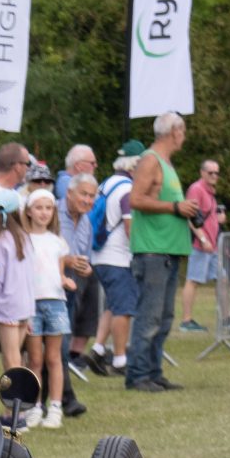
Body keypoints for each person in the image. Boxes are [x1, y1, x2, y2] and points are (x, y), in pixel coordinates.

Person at [121, 113, 195, 391]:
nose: (184, 137)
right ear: (174, 131)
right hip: (153, 250)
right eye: (183, 130)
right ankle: (138, 374)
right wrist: (175, 208)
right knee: (150, 315)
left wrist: (182, 207)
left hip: (167, 249)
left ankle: (153, 371)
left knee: (163, 317)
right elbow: (136, 199)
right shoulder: (150, 159)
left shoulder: (165, 163)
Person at [20, 188, 69, 430]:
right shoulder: (24, 239)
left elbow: (59, 273)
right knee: (35, 359)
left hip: (55, 302)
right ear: (29, 211)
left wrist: (66, 280)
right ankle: (35, 406)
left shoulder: (58, 241)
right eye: (38, 208)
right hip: (31, 303)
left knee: (53, 357)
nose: (43, 213)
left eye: (48, 208)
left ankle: (56, 406)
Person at [91, 142, 140, 370]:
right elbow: (130, 227)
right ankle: (120, 359)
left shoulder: (107, 183)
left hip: (99, 254)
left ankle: (98, 349)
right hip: (118, 257)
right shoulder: (128, 189)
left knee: (112, 304)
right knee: (124, 308)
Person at [58, 169, 104, 400]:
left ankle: (61, 397)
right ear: (69, 193)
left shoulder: (86, 220)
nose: (87, 200)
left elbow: (86, 256)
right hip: (49, 288)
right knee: (55, 345)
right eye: (83, 194)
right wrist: (67, 260)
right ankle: (64, 397)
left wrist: (87, 267)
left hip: (74, 286)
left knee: (62, 342)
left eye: (91, 196)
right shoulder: (52, 211)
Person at [0, 187, 34, 381]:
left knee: (10, 360)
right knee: (17, 359)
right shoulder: (25, 237)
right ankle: (18, 405)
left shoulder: (1, 240)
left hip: (7, 306)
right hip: (25, 305)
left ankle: (14, 407)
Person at [178, 158, 222, 331]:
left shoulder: (209, 191)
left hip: (213, 245)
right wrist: (203, 240)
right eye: (210, 172)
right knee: (193, 280)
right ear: (202, 173)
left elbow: (206, 216)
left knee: (222, 280)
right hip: (201, 245)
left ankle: (225, 318)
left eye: (216, 173)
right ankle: (186, 320)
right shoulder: (196, 189)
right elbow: (190, 217)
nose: (214, 176)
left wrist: (218, 220)